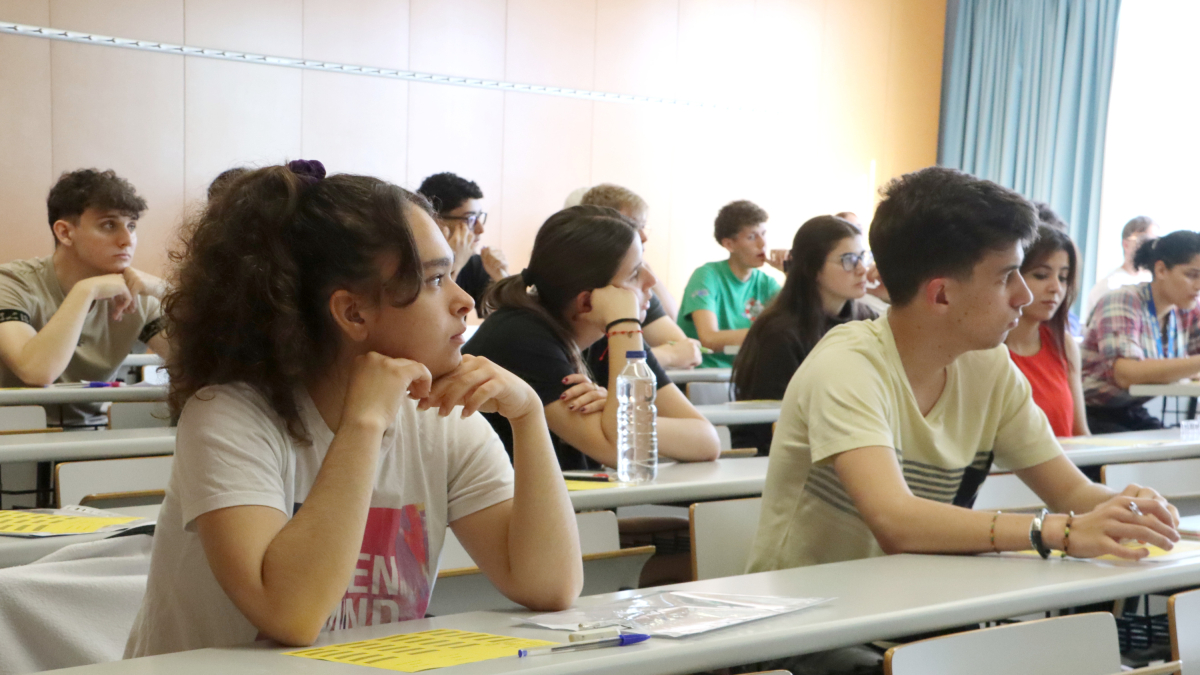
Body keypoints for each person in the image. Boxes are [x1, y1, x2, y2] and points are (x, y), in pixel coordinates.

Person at [126, 161, 581, 656]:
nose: (464, 301)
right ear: (353, 312)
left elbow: (548, 586)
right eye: (434, 280)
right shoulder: (227, 416)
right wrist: (364, 424)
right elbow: (290, 614)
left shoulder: (440, 419)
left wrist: (528, 417)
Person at [747, 166, 1178, 578]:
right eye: (1007, 277)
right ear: (941, 296)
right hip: (809, 618)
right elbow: (895, 521)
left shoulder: (990, 367)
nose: (1024, 295)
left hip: (917, 602)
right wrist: (1054, 531)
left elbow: (1072, 493)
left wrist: (1130, 510)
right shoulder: (847, 365)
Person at [464, 205, 720, 470]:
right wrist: (624, 325)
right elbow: (624, 450)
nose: (652, 280)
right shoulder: (520, 336)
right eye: (635, 273)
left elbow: (707, 440)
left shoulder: (610, 335)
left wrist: (614, 409)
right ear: (587, 302)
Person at [0, 169, 170, 427]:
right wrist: (85, 291)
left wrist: (168, 292)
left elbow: (202, 364)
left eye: (132, 226)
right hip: (15, 435)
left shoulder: (138, 293)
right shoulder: (12, 282)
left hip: (95, 436)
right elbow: (37, 371)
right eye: (109, 225)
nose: (127, 240)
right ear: (65, 233)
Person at [730, 215, 876, 454]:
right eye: (849, 260)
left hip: (848, 445)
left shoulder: (867, 320)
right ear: (813, 269)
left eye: (863, 257)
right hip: (783, 454)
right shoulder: (780, 333)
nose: (862, 269)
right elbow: (768, 422)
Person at [1082, 231, 1200, 433]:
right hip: (1090, 413)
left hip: (1131, 410)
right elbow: (1126, 374)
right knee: (1159, 449)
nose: (1198, 286)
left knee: (1179, 446)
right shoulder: (1123, 300)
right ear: (1161, 270)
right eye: (1192, 275)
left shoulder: (1188, 309)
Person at [580, 184, 701, 369]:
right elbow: (602, 366)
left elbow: (682, 347)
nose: (644, 236)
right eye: (633, 226)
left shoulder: (637, 285)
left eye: (643, 226)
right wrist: (667, 355)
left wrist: (641, 267)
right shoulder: (586, 280)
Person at [1005, 226, 1090, 438]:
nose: (1056, 288)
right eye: (1041, 275)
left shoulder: (1064, 345)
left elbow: (1080, 433)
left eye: (1063, 278)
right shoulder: (984, 349)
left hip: (1066, 457)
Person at [678, 200, 783, 368]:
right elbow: (709, 338)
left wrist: (790, 272)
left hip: (746, 374)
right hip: (705, 375)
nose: (763, 244)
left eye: (764, 234)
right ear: (729, 244)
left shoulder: (766, 283)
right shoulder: (707, 276)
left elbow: (798, 326)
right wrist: (768, 333)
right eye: (752, 237)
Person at [416, 172, 508, 316]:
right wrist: (453, 264)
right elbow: (430, 318)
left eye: (479, 217)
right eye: (470, 219)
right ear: (435, 220)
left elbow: (514, 321)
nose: (480, 229)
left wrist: (501, 277)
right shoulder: (414, 263)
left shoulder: (474, 264)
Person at [1084, 216, 1157, 320]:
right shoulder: (1111, 285)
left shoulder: (1153, 282)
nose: (1150, 248)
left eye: (1154, 242)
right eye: (1144, 241)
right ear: (1126, 244)